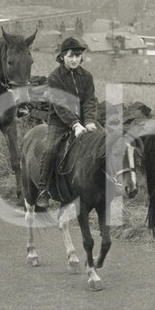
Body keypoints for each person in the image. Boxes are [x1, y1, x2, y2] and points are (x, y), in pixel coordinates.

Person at [37, 36, 99, 207]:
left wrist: (90, 122)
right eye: (71, 56)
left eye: (78, 56)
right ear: (62, 56)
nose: (75, 59)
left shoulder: (86, 76)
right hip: (59, 122)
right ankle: (43, 189)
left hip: (84, 121)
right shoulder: (54, 78)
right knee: (50, 150)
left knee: (104, 142)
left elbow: (89, 100)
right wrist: (75, 124)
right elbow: (60, 106)